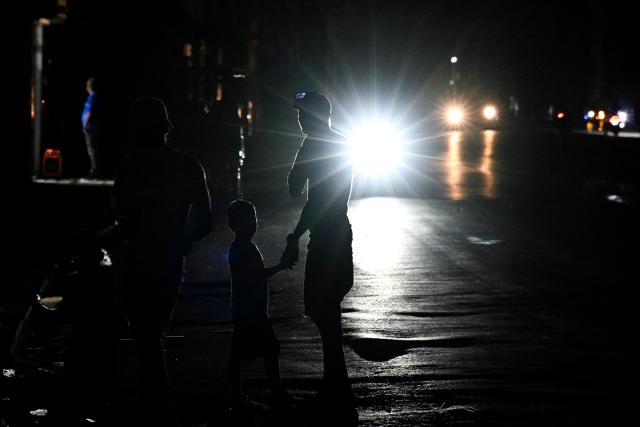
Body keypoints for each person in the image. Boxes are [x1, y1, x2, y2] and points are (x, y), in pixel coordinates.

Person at [113, 97, 212, 426]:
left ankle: (157, 408)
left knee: (145, 337)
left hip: (137, 258)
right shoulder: (187, 166)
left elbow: (123, 222)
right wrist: (183, 241)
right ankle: (159, 408)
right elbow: (205, 221)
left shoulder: (128, 166)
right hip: (168, 259)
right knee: (152, 334)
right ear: (165, 129)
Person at [281, 91, 357, 418]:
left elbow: (301, 192)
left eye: (302, 114)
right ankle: (336, 384)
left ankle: (335, 387)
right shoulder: (341, 142)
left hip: (326, 238)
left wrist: (295, 235)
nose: (298, 119)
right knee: (327, 310)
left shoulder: (313, 145)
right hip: (339, 233)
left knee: (320, 307)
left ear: (314, 115)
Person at [226, 199, 295, 410]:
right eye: (252, 219)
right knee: (269, 348)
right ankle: (273, 391)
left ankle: (238, 395)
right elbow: (257, 275)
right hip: (252, 310)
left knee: (240, 352)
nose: (255, 223)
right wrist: (281, 266)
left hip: (244, 307)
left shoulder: (240, 247)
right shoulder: (245, 248)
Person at [81, 77, 102, 178]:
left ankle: (94, 172)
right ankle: (95, 170)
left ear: (88, 87)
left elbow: (89, 112)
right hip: (93, 127)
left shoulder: (92, 97)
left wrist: (85, 125)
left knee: (92, 150)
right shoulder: (96, 97)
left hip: (90, 128)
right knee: (94, 150)